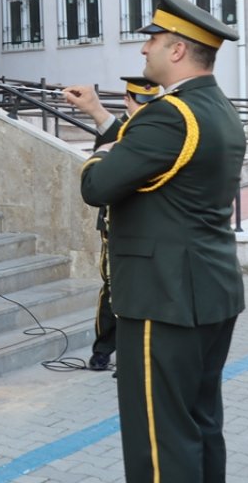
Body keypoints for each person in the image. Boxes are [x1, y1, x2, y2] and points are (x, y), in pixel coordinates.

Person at [79, 0, 245, 483]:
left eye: (152, 41)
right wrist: (115, 131)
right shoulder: (218, 109)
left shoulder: (169, 115)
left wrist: (101, 154)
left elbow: (97, 185)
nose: (144, 50)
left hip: (163, 299)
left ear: (177, 49)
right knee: (199, 424)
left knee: (159, 440)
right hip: (208, 292)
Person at [62, 75, 161, 373]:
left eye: (149, 102)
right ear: (128, 101)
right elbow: (112, 152)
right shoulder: (124, 129)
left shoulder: (158, 129)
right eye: (138, 102)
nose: (144, 108)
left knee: (144, 294)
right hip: (116, 227)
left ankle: (133, 355)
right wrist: (96, 111)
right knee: (113, 292)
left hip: (147, 228)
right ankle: (104, 349)